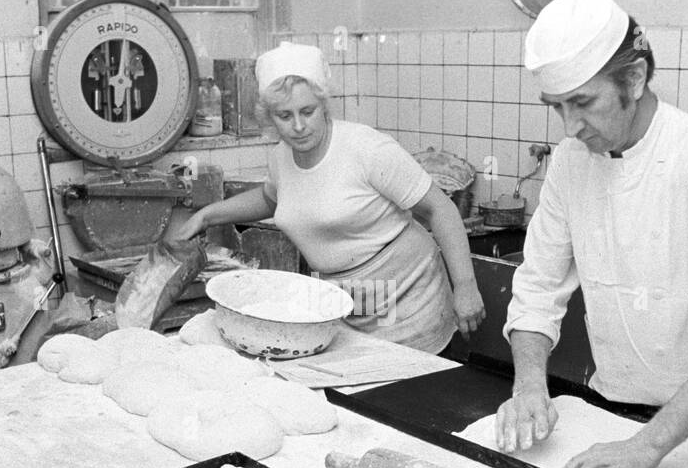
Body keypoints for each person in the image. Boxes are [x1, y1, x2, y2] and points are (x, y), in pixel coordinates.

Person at [494, 0, 688, 468]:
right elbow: (537, 288)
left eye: (583, 102)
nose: (570, 127)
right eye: (556, 106)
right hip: (614, 410)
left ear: (637, 77)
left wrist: (649, 445)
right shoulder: (569, 165)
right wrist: (529, 385)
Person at [175, 41, 484, 353]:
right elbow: (272, 199)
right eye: (284, 115)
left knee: (402, 392)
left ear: (324, 104)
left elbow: (440, 209)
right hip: (345, 299)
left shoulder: (367, 149)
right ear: (268, 116)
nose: (298, 126)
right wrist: (207, 215)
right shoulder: (282, 157)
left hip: (410, 298)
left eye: (307, 111)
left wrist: (466, 287)